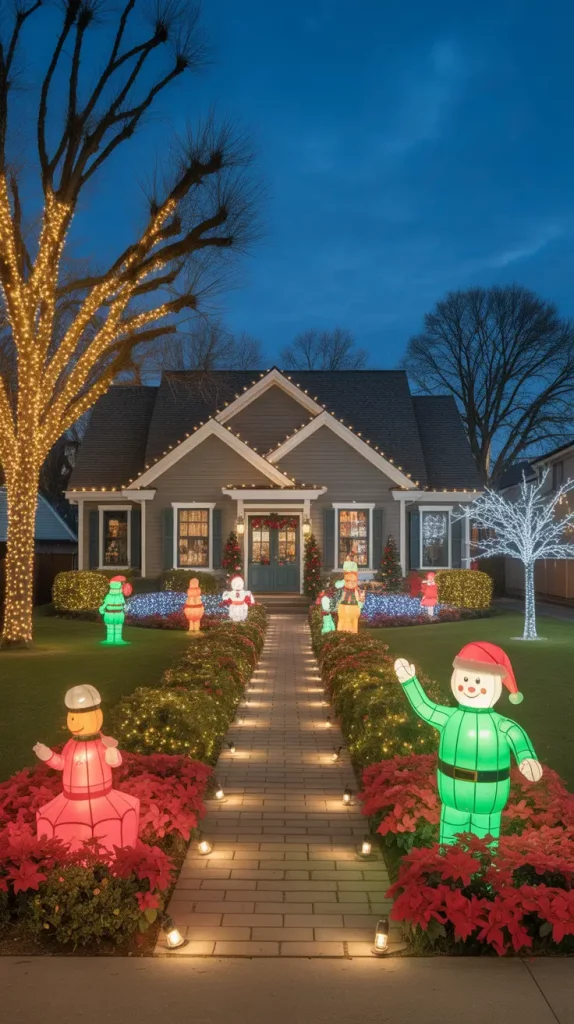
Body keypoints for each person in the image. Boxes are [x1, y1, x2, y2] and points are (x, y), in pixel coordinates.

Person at [394, 642, 542, 845]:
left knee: (485, 840)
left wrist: (527, 759)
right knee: (450, 839)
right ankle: (450, 868)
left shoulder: (501, 725)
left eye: (478, 680)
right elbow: (425, 707)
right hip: (452, 792)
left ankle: (483, 871)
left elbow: (518, 738)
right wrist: (409, 682)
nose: (471, 686)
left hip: (488, 796)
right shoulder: (450, 718)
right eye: (465, 678)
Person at [33, 685, 140, 852]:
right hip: (71, 797)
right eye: (72, 717)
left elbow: (115, 762)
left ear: (96, 716)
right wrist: (47, 755)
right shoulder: (71, 745)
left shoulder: (102, 744)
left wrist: (111, 750)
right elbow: (62, 764)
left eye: (80, 717)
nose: (73, 722)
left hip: (103, 796)